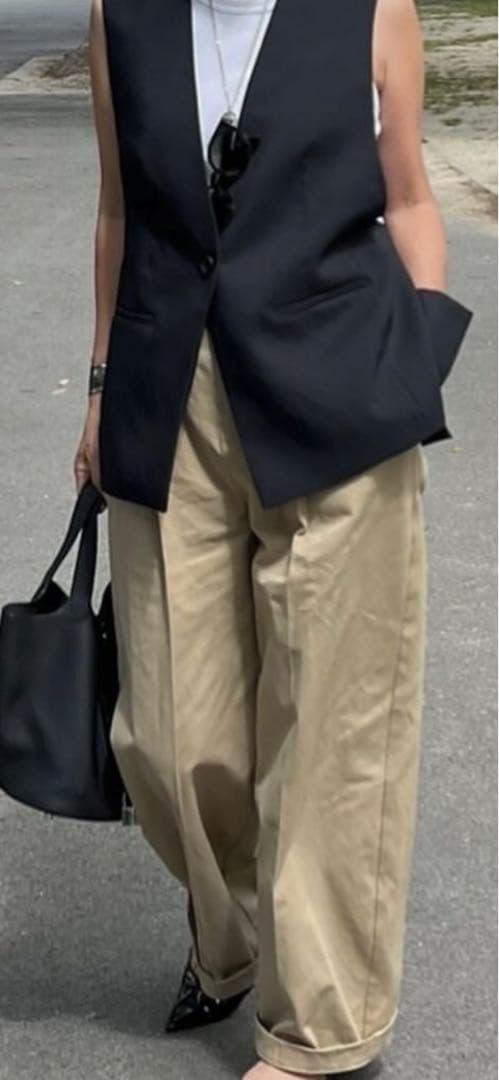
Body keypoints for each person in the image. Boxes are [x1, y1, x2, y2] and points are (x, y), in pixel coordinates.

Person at [74, 0, 473, 1075]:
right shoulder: (122, 16)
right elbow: (119, 213)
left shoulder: (374, 10)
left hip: (344, 399)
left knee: (340, 729)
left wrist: (410, 364)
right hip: (169, 398)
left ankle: (320, 1032)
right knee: (167, 735)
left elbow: (408, 197)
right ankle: (239, 933)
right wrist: (102, 390)